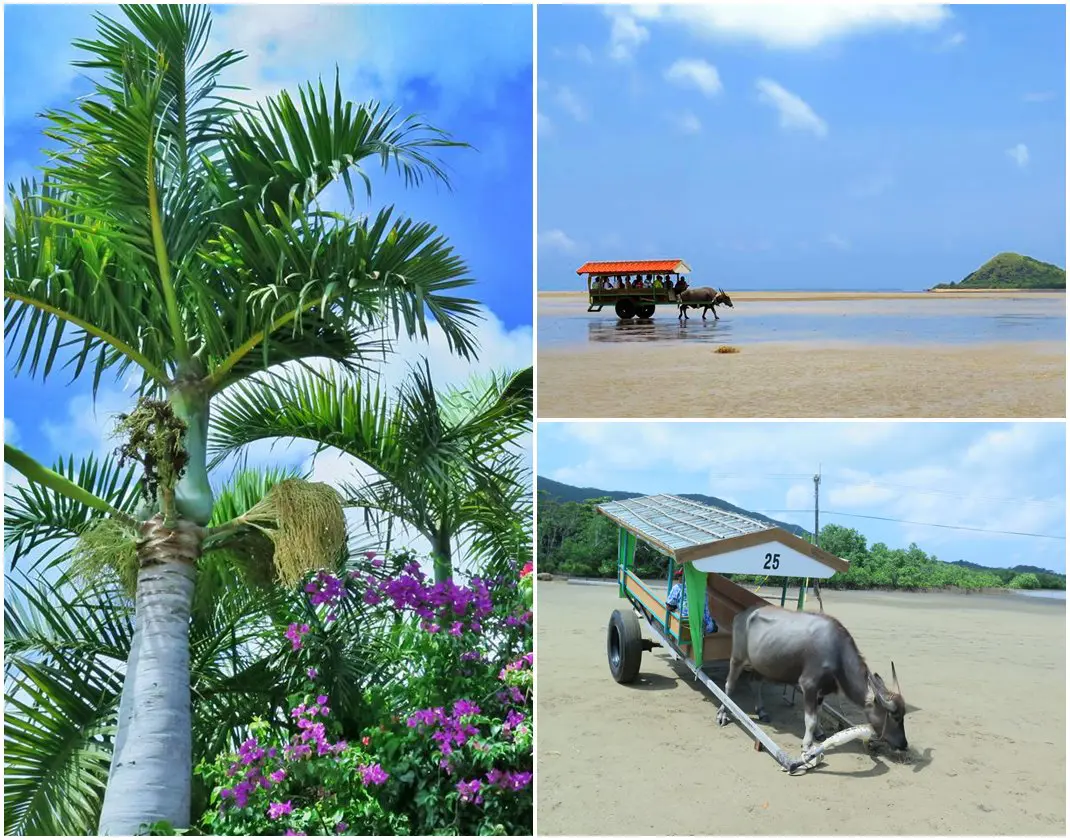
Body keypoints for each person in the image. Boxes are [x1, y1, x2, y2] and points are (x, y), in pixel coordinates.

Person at [666, 566, 717, 634]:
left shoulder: (677, 588)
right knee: (713, 624)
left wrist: (675, 608)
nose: (678, 578)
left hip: (687, 625)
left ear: (685, 576)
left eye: (680, 576)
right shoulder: (703, 588)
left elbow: (669, 607)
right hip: (706, 625)